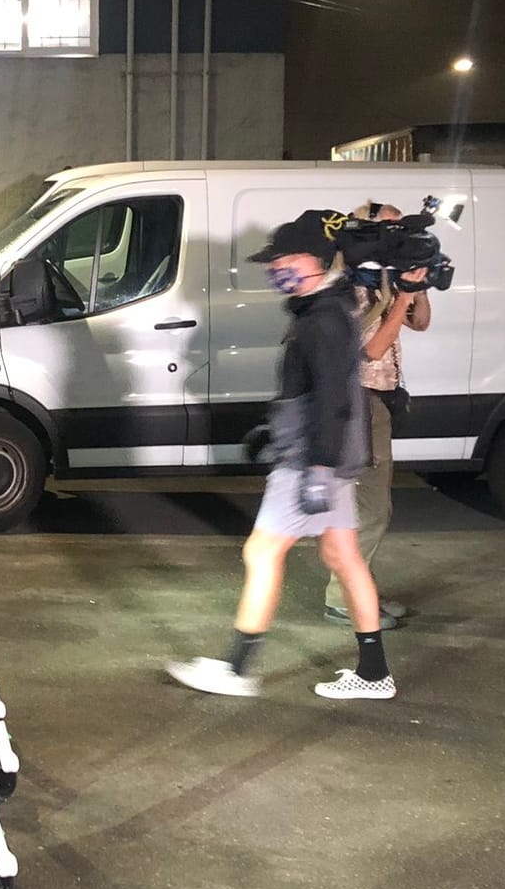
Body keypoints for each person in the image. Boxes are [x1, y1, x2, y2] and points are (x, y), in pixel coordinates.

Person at [167, 209, 396, 701]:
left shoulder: (324, 320)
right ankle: (374, 672)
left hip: (311, 462)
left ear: (314, 259)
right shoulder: (323, 310)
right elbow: (315, 393)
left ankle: (236, 668)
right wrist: (273, 429)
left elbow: (336, 398)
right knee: (343, 556)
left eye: (283, 258)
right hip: (322, 457)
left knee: (262, 551)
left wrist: (316, 468)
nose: (275, 269)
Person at [326, 201, 432, 631]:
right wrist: (400, 294)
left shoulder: (383, 278)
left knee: (370, 504)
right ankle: (344, 597)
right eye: (388, 230)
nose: (396, 237)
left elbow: (420, 322)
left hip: (378, 399)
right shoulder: (348, 282)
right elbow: (369, 348)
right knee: (371, 508)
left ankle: (359, 587)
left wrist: (415, 283)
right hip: (358, 399)